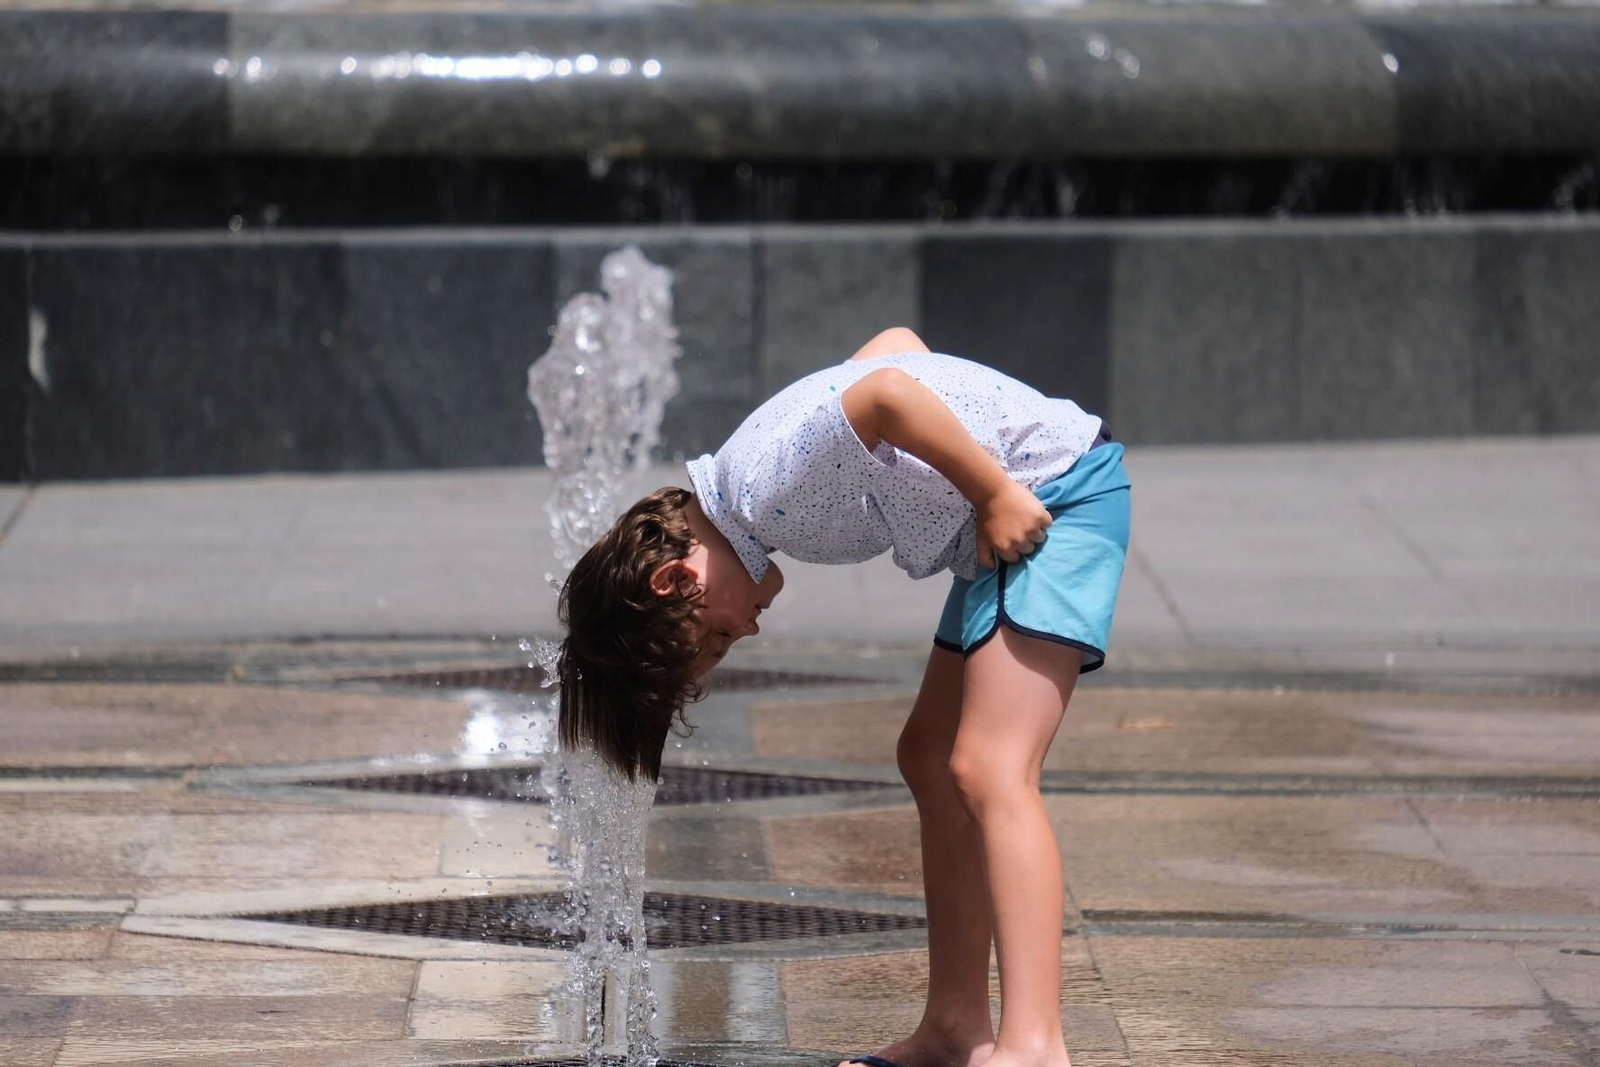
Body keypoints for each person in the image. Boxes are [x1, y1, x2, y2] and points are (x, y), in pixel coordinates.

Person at [558, 327, 1131, 1067]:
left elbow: (889, 392)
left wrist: (991, 490)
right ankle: (956, 1027)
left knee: (991, 768)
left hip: (1054, 499)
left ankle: (1035, 1045)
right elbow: (893, 346)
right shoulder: (747, 477)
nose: (745, 632)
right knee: (928, 755)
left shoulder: (764, 483)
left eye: (716, 639)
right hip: (1006, 523)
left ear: (676, 580)